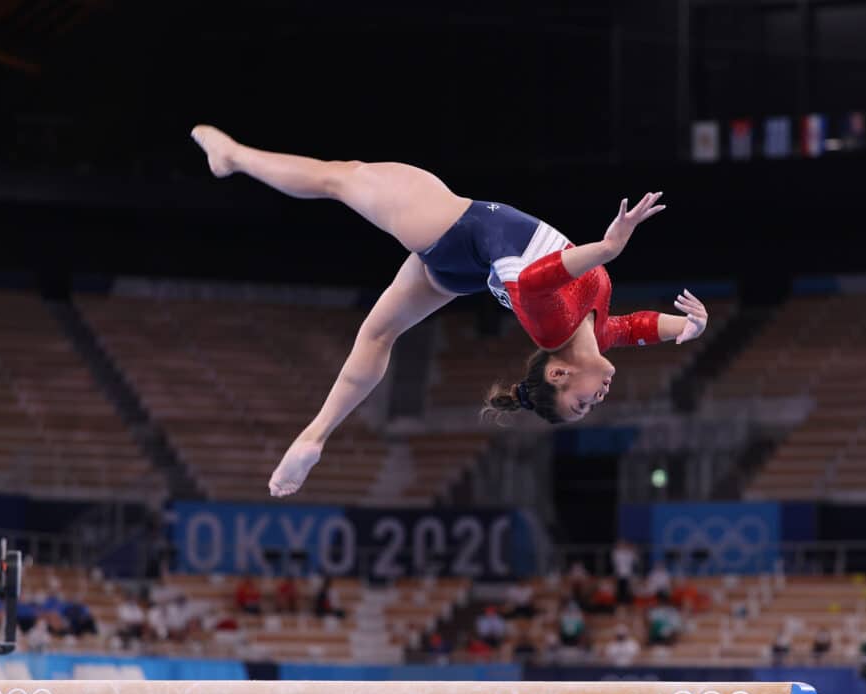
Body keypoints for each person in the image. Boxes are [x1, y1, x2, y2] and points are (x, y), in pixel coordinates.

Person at [191, 126, 709, 498]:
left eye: (579, 404)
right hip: (466, 269)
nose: (595, 401)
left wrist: (605, 249)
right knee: (378, 336)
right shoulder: (596, 336)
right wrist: (688, 326)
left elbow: (534, 279)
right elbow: (636, 327)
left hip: (456, 229)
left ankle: (233, 155)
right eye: (588, 407)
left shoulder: (553, 326)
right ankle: (315, 435)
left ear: (558, 372)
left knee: (339, 178)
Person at [611, 540, 638, 605]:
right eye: (621, 545)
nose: (623, 546)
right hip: (620, 574)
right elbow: (614, 559)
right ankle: (619, 603)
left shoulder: (630, 553)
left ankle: (629, 603)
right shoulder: (617, 553)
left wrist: (634, 550)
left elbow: (636, 560)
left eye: (624, 545)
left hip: (628, 574)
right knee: (620, 589)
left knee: (629, 589)